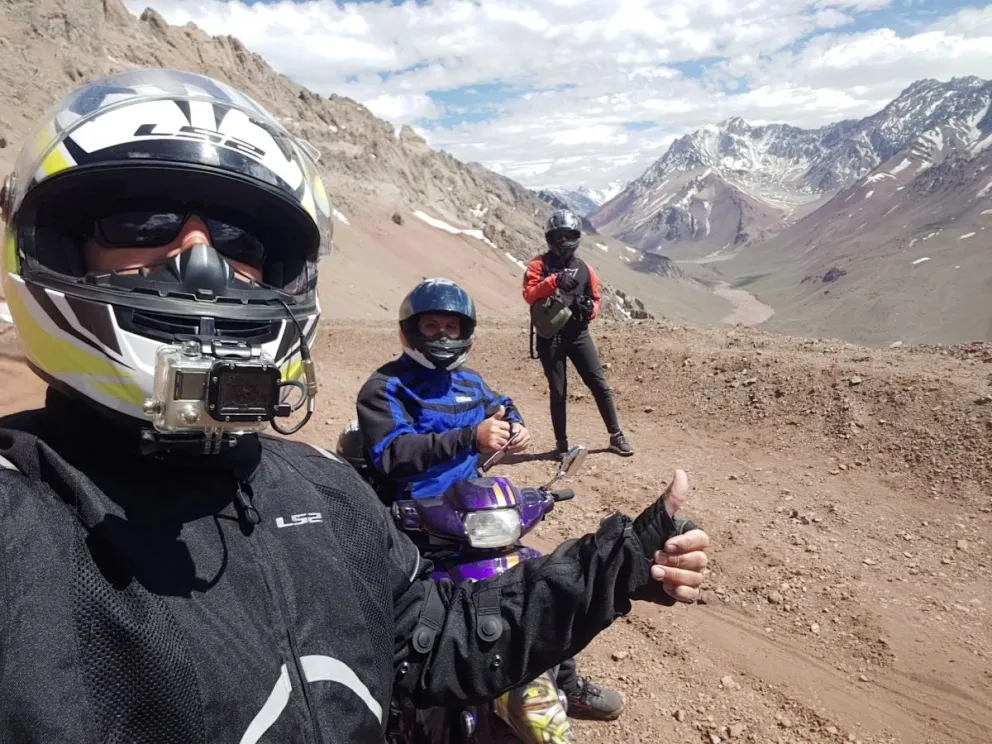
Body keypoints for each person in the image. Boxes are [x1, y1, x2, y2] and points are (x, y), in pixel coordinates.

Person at [0, 69, 710, 742]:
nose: (200, 260)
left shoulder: (325, 496)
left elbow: (436, 643)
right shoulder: (22, 518)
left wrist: (619, 563)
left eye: (240, 239)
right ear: (56, 243)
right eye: (141, 220)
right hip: (421, 513)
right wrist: (463, 444)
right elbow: (393, 453)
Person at [356, 278, 623, 720]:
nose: (443, 335)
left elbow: (501, 403)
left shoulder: (470, 383)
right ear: (411, 331)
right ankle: (387, 702)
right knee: (397, 613)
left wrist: (514, 425)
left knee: (540, 583)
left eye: (452, 327)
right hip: (412, 522)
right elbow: (393, 455)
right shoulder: (387, 387)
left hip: (471, 516)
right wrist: (470, 437)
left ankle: (565, 682)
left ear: (465, 332)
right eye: (432, 325)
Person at [523, 208, 634, 459]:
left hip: (578, 334)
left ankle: (616, 436)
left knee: (599, 384)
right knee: (558, 391)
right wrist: (554, 282)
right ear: (550, 238)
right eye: (558, 236)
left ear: (575, 236)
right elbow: (529, 294)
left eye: (567, 235)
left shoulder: (586, 269)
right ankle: (561, 445)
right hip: (549, 336)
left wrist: (590, 310)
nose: (563, 241)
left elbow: (596, 299)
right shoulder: (538, 265)